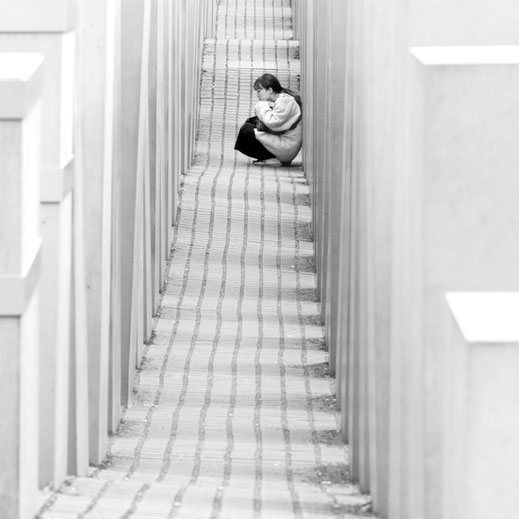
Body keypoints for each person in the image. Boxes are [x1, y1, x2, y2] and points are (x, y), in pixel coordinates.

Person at [234, 73, 302, 166]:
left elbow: (273, 123)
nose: (257, 95)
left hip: (286, 148)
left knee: (246, 130)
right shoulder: (283, 99)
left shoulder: (285, 101)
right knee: (251, 122)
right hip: (286, 145)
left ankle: (275, 159)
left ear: (270, 90)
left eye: (259, 91)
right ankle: (272, 157)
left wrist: (261, 105)